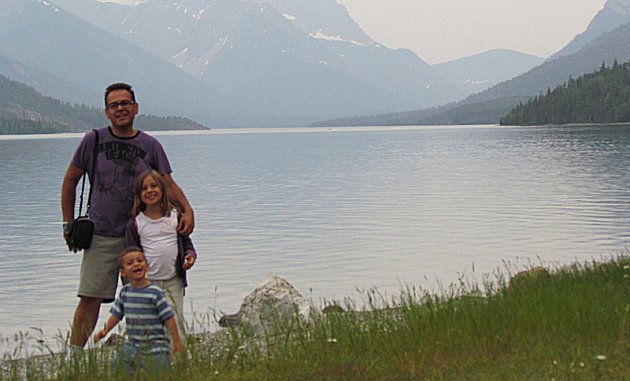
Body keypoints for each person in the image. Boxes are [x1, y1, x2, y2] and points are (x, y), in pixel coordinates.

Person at [61, 82, 195, 351]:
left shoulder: (150, 145)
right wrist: (69, 224)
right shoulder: (93, 140)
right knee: (90, 297)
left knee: (147, 297)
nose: (120, 108)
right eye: (114, 105)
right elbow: (70, 181)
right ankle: (73, 357)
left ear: (136, 108)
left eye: (125, 103)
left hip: (141, 236)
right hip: (101, 234)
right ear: (106, 112)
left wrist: (188, 209)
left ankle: (158, 352)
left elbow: (168, 183)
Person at [125, 169, 197, 338]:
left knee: (175, 321)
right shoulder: (136, 223)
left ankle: (179, 359)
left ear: (163, 190)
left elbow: (186, 242)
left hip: (174, 280)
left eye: (154, 186)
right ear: (138, 194)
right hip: (148, 283)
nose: (150, 190)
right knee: (151, 325)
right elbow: (130, 253)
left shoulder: (175, 216)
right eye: (144, 188)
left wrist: (190, 255)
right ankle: (154, 360)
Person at [94, 247, 182, 374]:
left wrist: (176, 341)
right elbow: (116, 314)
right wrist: (105, 330)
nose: (136, 264)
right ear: (123, 272)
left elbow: (168, 318)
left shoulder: (155, 292)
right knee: (117, 367)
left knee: (161, 374)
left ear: (147, 266)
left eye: (140, 261)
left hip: (156, 346)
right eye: (130, 263)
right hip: (133, 345)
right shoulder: (125, 292)